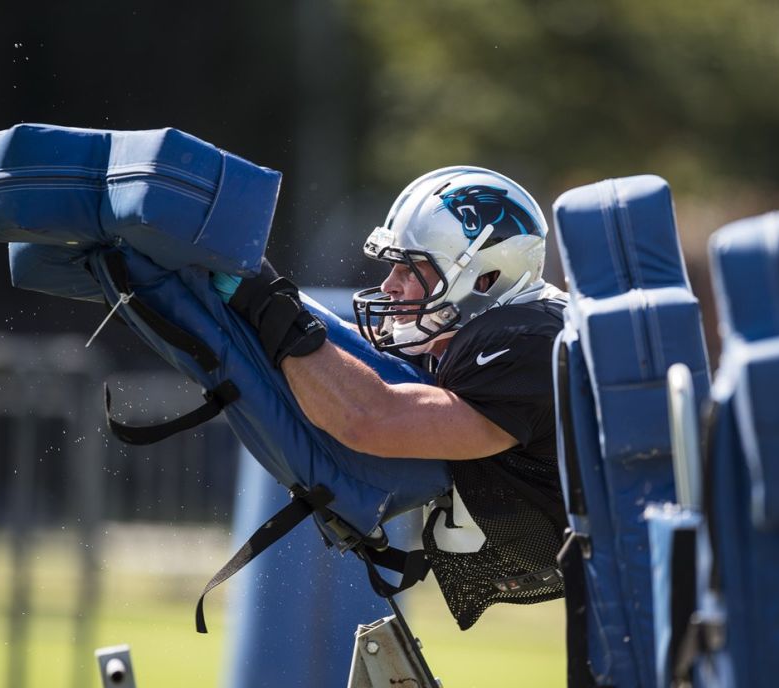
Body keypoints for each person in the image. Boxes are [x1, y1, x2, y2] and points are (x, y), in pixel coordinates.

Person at [217, 166, 570, 629]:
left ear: (486, 278)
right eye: (392, 266)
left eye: (411, 268)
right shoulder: (495, 330)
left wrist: (274, 312)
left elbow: (370, 420)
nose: (389, 286)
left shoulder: (528, 342)